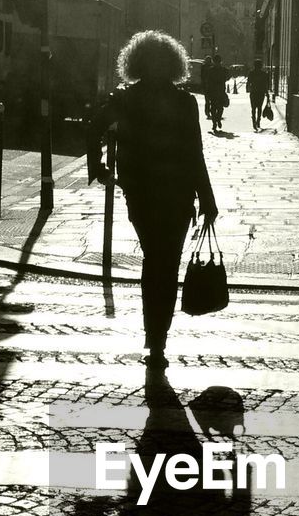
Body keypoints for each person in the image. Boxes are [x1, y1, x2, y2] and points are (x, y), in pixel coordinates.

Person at [87, 30, 219, 370]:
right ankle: (157, 337)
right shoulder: (182, 102)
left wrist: (98, 167)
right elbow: (194, 153)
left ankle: (155, 336)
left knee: (157, 261)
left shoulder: (127, 98)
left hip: (147, 193)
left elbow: (94, 126)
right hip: (171, 194)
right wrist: (206, 197)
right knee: (164, 262)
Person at [202, 53, 228, 132]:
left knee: (214, 108)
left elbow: (208, 81)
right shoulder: (223, 70)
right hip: (220, 91)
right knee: (219, 108)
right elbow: (227, 77)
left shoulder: (211, 70)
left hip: (213, 91)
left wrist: (207, 91)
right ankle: (217, 120)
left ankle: (215, 122)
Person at [246, 58, 272, 130]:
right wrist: (267, 93)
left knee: (253, 108)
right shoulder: (264, 74)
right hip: (261, 93)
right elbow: (266, 85)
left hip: (253, 92)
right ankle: (258, 121)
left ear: (254, 65)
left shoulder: (251, 73)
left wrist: (247, 89)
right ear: (261, 66)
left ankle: (254, 121)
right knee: (259, 107)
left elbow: (248, 82)